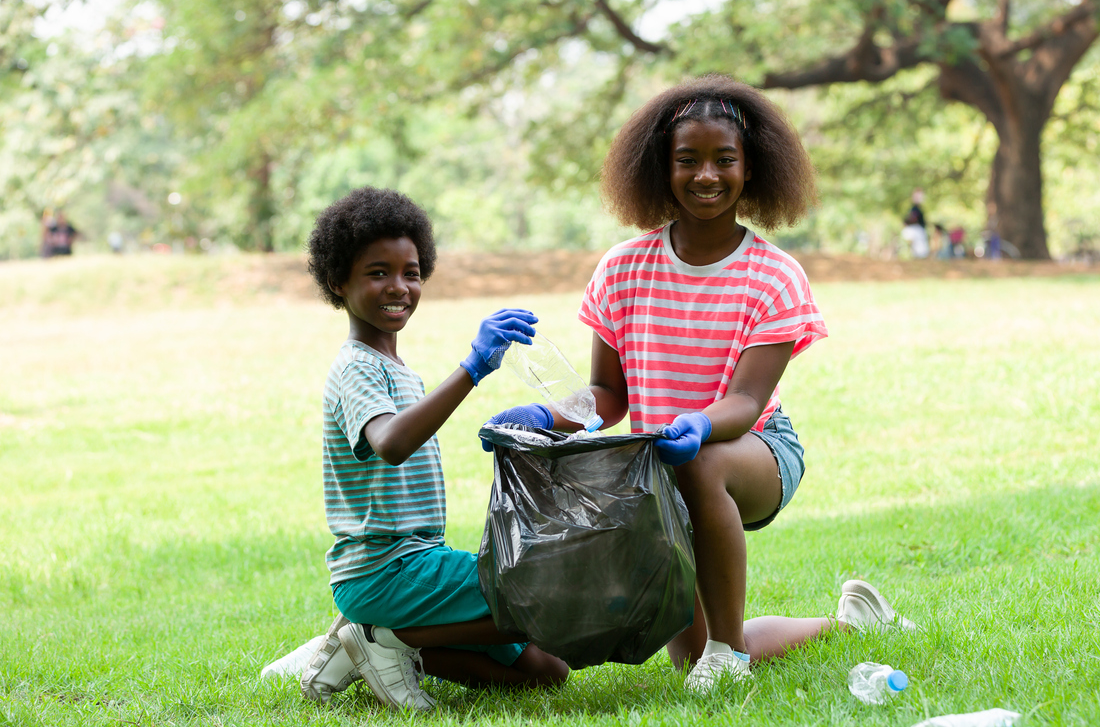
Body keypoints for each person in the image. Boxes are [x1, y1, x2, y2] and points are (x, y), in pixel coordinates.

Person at [486, 76, 916, 695]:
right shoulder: (623, 269)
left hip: (754, 450)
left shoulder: (773, 276)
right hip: (659, 469)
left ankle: (728, 649)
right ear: (659, 169)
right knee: (688, 662)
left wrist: (699, 425)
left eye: (725, 160)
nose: (706, 175)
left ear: (752, 168)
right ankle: (841, 623)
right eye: (687, 160)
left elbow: (745, 401)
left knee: (705, 467)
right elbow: (607, 398)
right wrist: (545, 415)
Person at [290, 187, 568, 711]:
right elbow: (392, 443)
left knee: (546, 672)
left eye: (411, 273)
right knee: (538, 591)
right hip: (384, 569)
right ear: (337, 282)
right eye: (377, 273)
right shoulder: (357, 367)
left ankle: (374, 646)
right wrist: (472, 369)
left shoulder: (399, 370)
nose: (398, 287)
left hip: (418, 561)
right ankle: (382, 639)